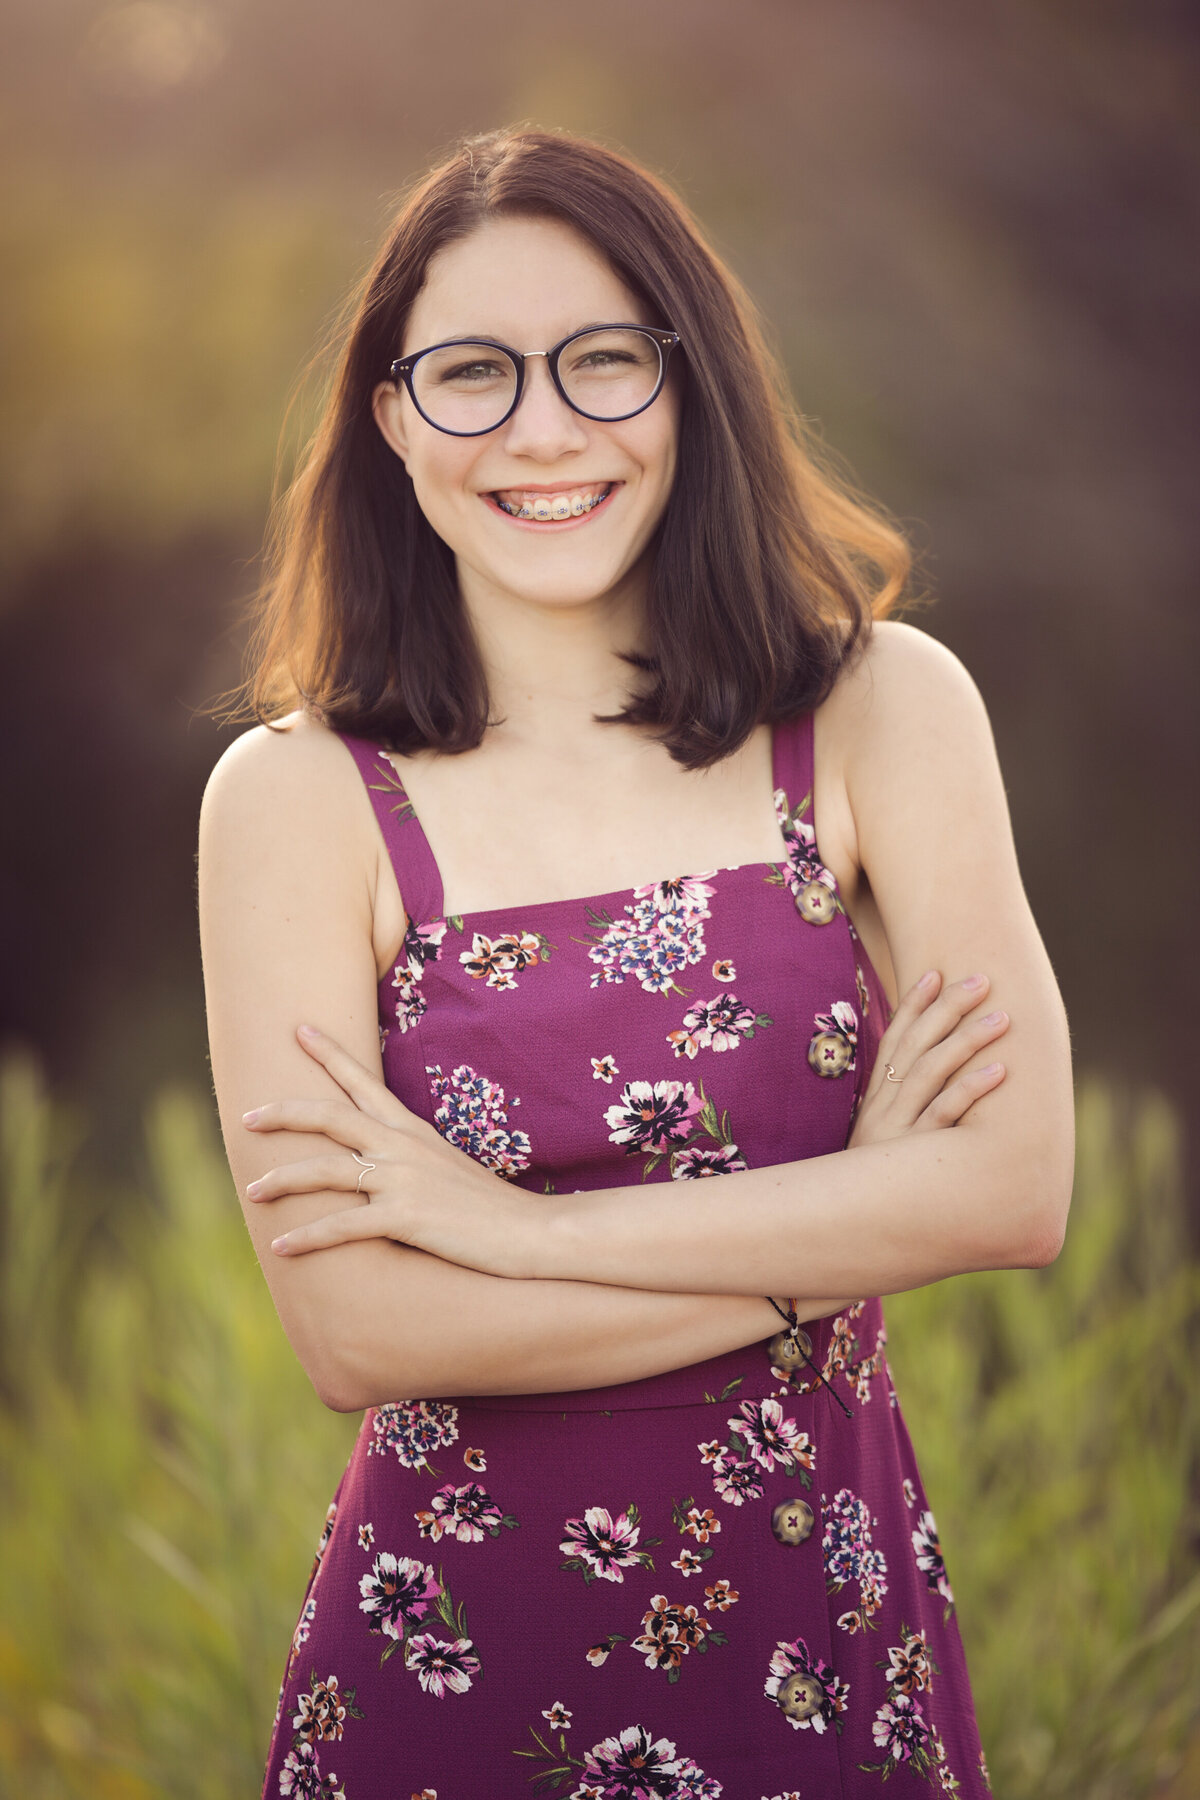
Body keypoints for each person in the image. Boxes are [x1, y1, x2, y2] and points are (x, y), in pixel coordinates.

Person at [198, 126, 1074, 1799]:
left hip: (822, 1654)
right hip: (451, 1676)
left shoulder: (882, 713)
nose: (543, 428)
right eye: (470, 373)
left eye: (603, 360)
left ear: (691, 384)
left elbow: (1015, 1187)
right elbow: (363, 1332)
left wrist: (516, 1241)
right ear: (392, 420)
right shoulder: (299, 803)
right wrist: (841, 1238)